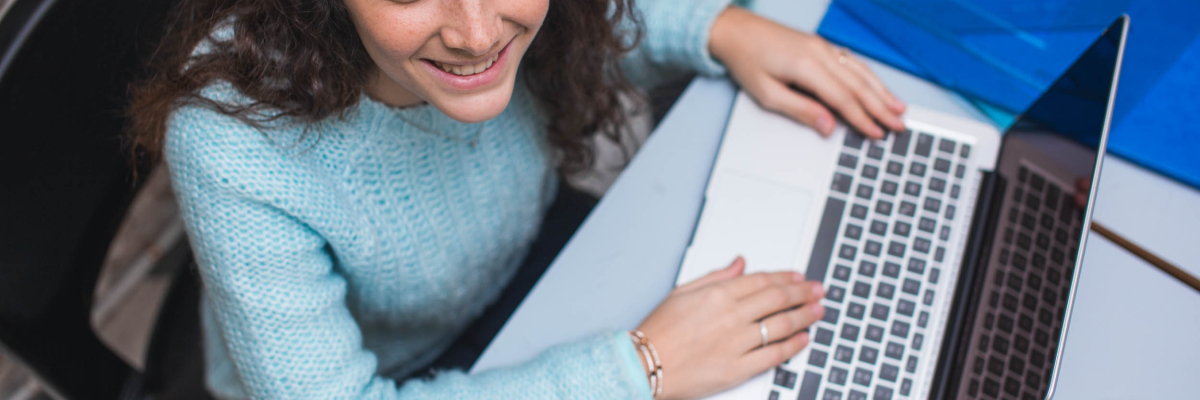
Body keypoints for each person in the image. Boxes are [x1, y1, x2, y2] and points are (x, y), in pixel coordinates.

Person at [126, 0, 907, 398]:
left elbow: (606, 13)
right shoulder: (233, 141)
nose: (476, 35)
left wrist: (723, 30)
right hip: (396, 370)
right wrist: (639, 369)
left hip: (524, 281)